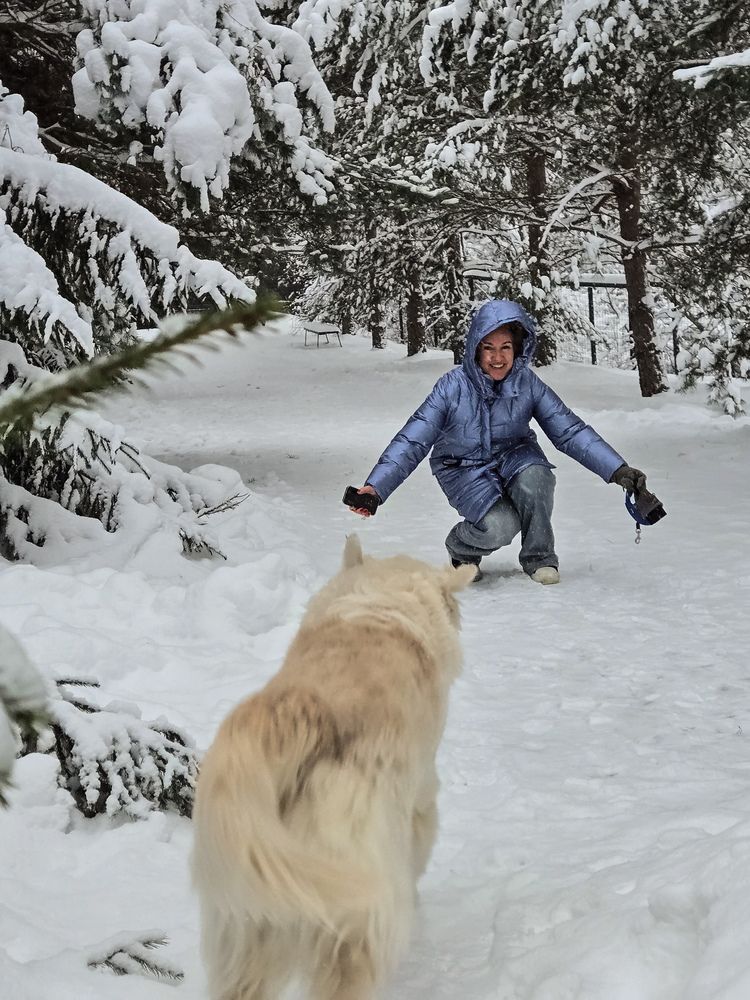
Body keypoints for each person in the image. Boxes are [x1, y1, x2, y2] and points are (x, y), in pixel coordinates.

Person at [347, 299, 647, 584]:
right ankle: (461, 548)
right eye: (488, 348)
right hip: (461, 466)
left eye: (505, 347)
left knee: (538, 477)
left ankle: (539, 557)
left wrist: (616, 469)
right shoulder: (452, 387)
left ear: (518, 349)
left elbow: (569, 430)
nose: (497, 357)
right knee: (501, 526)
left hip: (515, 455)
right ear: (475, 349)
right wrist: (376, 488)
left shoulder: (527, 383)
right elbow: (414, 439)